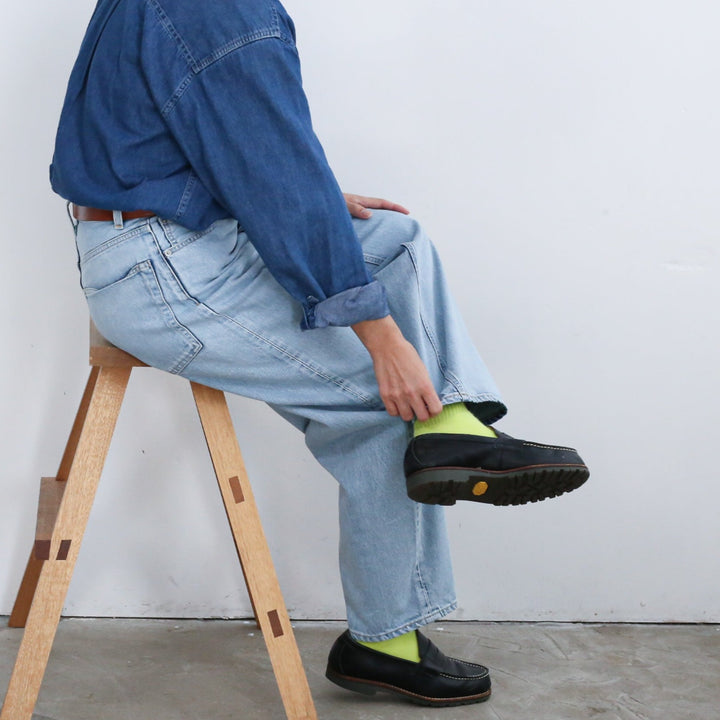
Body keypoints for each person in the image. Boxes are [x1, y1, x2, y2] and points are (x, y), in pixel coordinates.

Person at [50, 0, 589, 708]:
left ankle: (454, 423)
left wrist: (313, 198)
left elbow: (210, 137)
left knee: (396, 240)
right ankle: (384, 641)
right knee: (390, 412)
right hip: (164, 270)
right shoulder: (223, 9)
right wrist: (382, 340)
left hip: (176, 235)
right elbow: (268, 165)